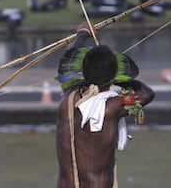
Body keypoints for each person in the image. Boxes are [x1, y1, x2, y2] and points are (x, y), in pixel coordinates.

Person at [56, 22, 155, 188]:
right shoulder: (112, 107)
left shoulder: (69, 95)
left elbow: (71, 59)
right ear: (112, 77)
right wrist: (120, 79)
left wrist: (82, 33)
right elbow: (146, 93)